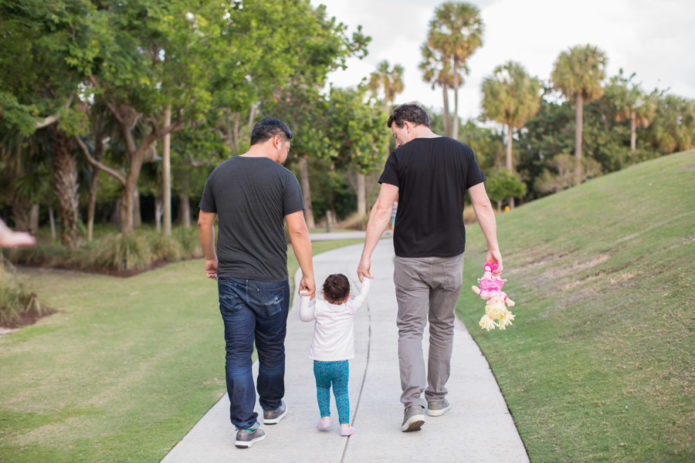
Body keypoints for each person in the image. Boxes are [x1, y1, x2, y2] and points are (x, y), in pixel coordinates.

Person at [356, 103, 504, 433]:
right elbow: (481, 203)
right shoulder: (461, 152)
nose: (396, 142)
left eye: (396, 134)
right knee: (442, 326)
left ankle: (412, 404)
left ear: (407, 125)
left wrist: (366, 254)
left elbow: (383, 208)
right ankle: (436, 398)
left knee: (410, 329)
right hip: (451, 257)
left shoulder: (401, 157)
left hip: (410, 259)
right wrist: (493, 246)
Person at [198, 117, 315, 449]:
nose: (287, 154)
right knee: (271, 349)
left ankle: (245, 427)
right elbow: (298, 231)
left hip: (232, 278)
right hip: (272, 280)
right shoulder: (283, 178)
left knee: (237, 352)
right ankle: (272, 406)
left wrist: (209, 256)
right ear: (277, 140)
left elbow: (205, 220)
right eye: (287, 147)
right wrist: (308, 274)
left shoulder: (220, 173)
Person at [298, 273, 370, 437]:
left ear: (323, 294)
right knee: (341, 392)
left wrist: (305, 295)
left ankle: (325, 418)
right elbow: (363, 295)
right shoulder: (349, 307)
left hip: (320, 361)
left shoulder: (319, 306)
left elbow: (304, 316)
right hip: (340, 362)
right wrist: (365, 280)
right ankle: (345, 425)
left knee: (322, 388)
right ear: (348, 296)